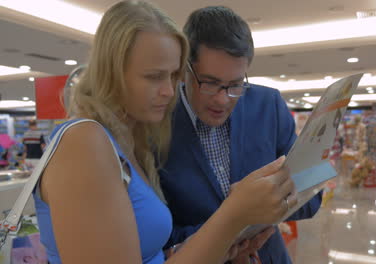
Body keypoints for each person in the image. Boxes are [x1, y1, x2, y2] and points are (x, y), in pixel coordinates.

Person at [31, 1, 297, 264]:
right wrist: (233, 214)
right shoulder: (84, 142)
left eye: (173, 76)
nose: (170, 91)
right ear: (112, 71)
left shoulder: (127, 143)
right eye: (154, 76)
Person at [159, 6, 323, 263]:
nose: (223, 99)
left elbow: (312, 198)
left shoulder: (268, 105)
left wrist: (266, 205)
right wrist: (227, 232)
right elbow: (158, 233)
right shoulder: (157, 121)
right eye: (210, 83)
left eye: (235, 84)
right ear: (185, 70)